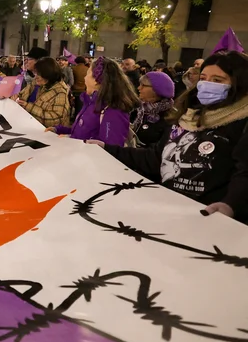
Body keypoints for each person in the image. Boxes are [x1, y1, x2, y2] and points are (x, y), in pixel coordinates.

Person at [93, 52, 248, 222]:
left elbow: (244, 173)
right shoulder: (188, 116)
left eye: (217, 80)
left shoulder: (242, 123)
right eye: (203, 78)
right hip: (169, 212)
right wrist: (107, 149)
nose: (207, 84)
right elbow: (156, 158)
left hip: (210, 219)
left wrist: (231, 205)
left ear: (239, 83)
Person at [50, 56, 140, 146]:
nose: (84, 78)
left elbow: (110, 148)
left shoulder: (113, 110)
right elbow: (83, 132)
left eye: (87, 74)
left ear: (96, 80)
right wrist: (59, 130)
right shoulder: (91, 102)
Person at [16, 57, 71, 128]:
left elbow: (56, 120)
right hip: (31, 127)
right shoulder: (37, 83)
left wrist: (28, 106)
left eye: (38, 74)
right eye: (35, 73)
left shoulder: (60, 92)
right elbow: (21, 94)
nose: (35, 77)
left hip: (48, 133)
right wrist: (12, 96)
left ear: (48, 74)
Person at [132, 71, 175, 147]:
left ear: (157, 89)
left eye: (143, 85)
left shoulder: (170, 117)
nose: (139, 88)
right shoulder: (138, 109)